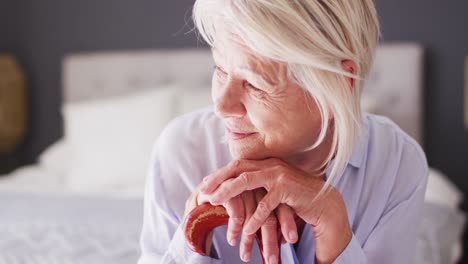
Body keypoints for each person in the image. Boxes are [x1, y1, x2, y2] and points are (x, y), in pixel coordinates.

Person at [138, 0, 428, 263]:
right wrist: (196, 230)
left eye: (255, 85)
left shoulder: (397, 165)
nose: (222, 106)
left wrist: (337, 237)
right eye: (220, 71)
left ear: (338, 85)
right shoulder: (182, 153)